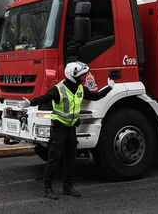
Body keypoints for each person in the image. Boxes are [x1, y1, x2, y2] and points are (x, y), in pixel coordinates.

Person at [18, 61, 114, 200]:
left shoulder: (80, 89)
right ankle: (47, 188)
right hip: (59, 128)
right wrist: (30, 103)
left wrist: (109, 88)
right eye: (81, 76)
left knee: (70, 159)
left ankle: (68, 187)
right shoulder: (59, 89)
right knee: (54, 158)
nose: (83, 78)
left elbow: (95, 96)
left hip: (71, 128)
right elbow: (45, 98)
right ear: (73, 76)